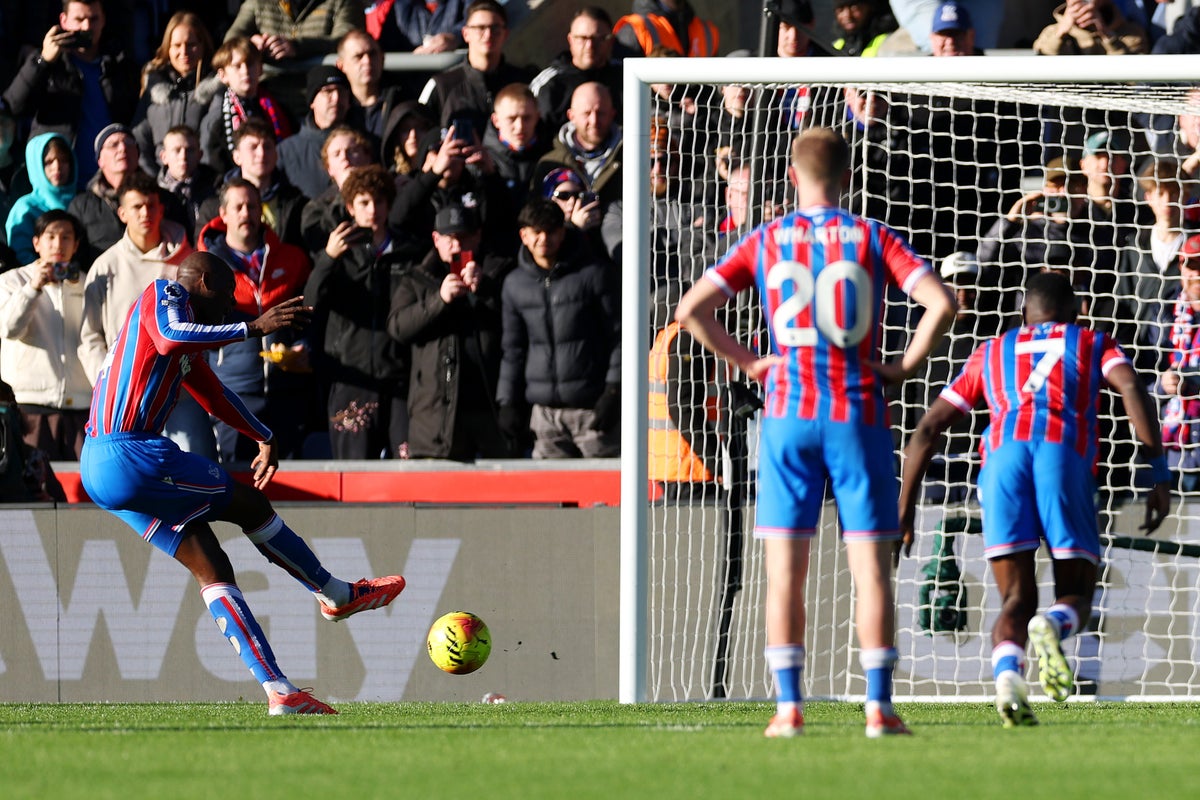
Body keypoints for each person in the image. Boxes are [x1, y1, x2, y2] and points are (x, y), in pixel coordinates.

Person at [673, 127, 958, 738]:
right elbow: (942, 302)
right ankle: (878, 707)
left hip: (788, 415)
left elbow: (690, 310)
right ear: (848, 177)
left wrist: (749, 362)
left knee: (784, 571)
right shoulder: (871, 236)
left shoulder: (768, 238)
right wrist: (904, 367)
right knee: (872, 570)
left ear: (794, 178)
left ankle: (788, 709)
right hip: (857, 413)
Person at [80, 249, 406, 714]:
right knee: (250, 505)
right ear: (205, 283)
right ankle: (335, 594)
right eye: (228, 297)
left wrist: (263, 436)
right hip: (129, 453)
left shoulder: (179, 343)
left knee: (211, 565)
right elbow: (173, 336)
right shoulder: (165, 293)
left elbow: (212, 395)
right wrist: (254, 327)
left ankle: (279, 691)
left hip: (100, 466)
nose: (231, 308)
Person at [898, 271, 1170, 727]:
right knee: (1076, 594)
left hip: (1002, 462)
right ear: (1076, 311)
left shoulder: (989, 351)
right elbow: (1130, 388)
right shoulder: (1092, 341)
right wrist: (1157, 472)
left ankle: (1008, 680)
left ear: (1025, 314)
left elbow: (927, 428)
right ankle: (1056, 625)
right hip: (1061, 456)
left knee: (1015, 601)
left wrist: (903, 511)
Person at [79, 172, 209, 456]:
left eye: (151, 205)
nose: (145, 213)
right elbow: (89, 337)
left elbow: (205, 322)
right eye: (137, 207)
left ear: (161, 208)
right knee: (133, 478)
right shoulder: (104, 267)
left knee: (195, 468)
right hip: (126, 398)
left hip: (182, 392)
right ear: (122, 213)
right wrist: (108, 384)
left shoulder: (189, 264)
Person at [199, 178, 313, 462]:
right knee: (237, 482)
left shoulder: (291, 259)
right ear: (223, 214)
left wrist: (304, 346)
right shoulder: (205, 267)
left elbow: (311, 315)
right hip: (233, 393)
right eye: (237, 206)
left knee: (291, 484)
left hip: (285, 390)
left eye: (252, 206)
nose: (245, 213)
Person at [388, 203, 514, 460]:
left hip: (487, 412)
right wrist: (439, 300)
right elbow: (397, 327)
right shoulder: (416, 279)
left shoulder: (500, 273)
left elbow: (516, 326)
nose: (457, 246)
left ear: (477, 236)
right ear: (436, 239)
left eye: (464, 237)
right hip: (434, 418)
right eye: (449, 238)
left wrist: (487, 289)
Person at [497, 197, 621, 458]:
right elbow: (513, 350)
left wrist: (613, 391)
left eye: (551, 230)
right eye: (536, 232)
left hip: (592, 409)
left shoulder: (594, 274)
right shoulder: (514, 284)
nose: (544, 238)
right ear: (523, 235)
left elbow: (618, 337)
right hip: (544, 415)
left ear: (562, 232)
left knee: (603, 494)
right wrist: (507, 401)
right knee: (549, 495)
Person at [304, 165, 410, 459]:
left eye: (379, 201)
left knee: (409, 474)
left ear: (389, 204)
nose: (372, 209)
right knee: (354, 475)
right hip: (351, 378)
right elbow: (310, 302)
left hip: (400, 379)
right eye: (364, 202)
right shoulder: (338, 251)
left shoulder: (408, 251)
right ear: (350, 207)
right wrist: (328, 259)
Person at [2, 0, 139, 185]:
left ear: (104, 20)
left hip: (110, 183)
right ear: (63, 21)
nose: (87, 26)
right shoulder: (49, 63)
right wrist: (43, 61)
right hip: (59, 182)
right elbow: (14, 106)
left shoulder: (119, 64)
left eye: (94, 19)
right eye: (79, 19)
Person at [0, 210, 91, 460]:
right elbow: (9, 328)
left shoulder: (88, 284)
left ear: (76, 244)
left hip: (83, 407)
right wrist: (32, 289)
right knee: (33, 491)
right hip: (30, 406)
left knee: (82, 494)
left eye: (66, 237)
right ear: (36, 242)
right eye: (50, 237)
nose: (58, 245)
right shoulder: (11, 281)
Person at [417, 0, 535, 131]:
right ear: (465, 34)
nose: (488, 34)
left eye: (495, 28)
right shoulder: (441, 86)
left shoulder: (525, 82)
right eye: (480, 28)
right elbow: (419, 134)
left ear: (505, 34)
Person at [131, 11, 221, 176]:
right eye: (177, 45)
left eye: (191, 44)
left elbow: (213, 142)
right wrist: (156, 182)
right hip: (159, 186)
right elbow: (139, 141)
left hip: (205, 185)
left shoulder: (218, 86)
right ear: (168, 48)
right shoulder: (153, 87)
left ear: (203, 45)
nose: (184, 52)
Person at [201, 118, 306, 246]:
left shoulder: (297, 204)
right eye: (253, 147)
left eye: (267, 147)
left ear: (276, 154)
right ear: (237, 156)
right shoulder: (212, 209)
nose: (261, 154)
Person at [199, 37, 292, 175]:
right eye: (237, 66)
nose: (245, 71)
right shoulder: (216, 117)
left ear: (260, 69)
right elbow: (211, 161)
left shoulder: (278, 109)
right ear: (223, 75)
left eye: (250, 64)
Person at [530, 7, 623, 133]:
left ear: (611, 41)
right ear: (570, 40)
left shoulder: (626, 75)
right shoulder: (548, 86)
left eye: (598, 39)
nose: (590, 46)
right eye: (583, 38)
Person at [533, 82, 623, 213]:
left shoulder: (630, 155)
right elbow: (538, 218)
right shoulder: (550, 163)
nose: (594, 121)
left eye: (601, 113)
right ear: (571, 116)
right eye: (586, 113)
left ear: (612, 114)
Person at [67, 123, 141, 267]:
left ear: (138, 154)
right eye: (113, 145)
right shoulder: (82, 205)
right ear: (99, 160)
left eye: (128, 143)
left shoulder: (160, 198)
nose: (122, 148)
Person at [278, 65, 356, 200]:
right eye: (328, 91)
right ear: (312, 101)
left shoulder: (364, 145)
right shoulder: (286, 152)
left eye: (342, 91)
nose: (336, 98)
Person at [1157, 252, 1200, 492]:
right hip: (1172, 449)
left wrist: (1189, 378)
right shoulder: (1163, 313)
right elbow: (1142, 371)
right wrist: (1164, 384)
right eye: (1191, 266)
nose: (1196, 274)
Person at [300, 125, 374, 255]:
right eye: (336, 154)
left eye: (352, 150)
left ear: (367, 157)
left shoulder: (388, 191)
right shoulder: (316, 207)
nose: (345, 158)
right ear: (329, 168)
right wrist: (347, 191)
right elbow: (317, 239)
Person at [5, 134, 77, 265]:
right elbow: (20, 255)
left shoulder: (84, 203)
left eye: (64, 160)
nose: (57, 167)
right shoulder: (26, 208)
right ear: (36, 166)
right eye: (49, 162)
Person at [223, 0, 363, 62]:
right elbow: (230, 42)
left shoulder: (344, 1)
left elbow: (348, 42)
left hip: (324, 96)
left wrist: (298, 47)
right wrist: (250, 44)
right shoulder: (258, 2)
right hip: (270, 96)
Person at [156, 124, 220, 245]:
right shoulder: (154, 193)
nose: (183, 156)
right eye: (177, 150)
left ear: (200, 155)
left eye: (190, 150)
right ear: (164, 157)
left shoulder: (217, 187)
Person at [335, 29, 402, 142]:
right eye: (358, 56)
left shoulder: (402, 100)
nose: (367, 61)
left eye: (372, 54)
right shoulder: (334, 108)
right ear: (341, 66)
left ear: (382, 58)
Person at [1034, 0, 1149, 55]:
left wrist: (1107, 36)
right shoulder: (1051, 32)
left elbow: (1134, 80)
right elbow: (1038, 70)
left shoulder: (1131, 32)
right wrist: (1060, 34)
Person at [613, 0, 719, 58]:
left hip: (699, 98)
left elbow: (712, 90)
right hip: (650, 98)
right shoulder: (635, 29)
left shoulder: (707, 31)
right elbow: (625, 89)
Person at [377, 0, 469, 53]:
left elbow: (477, 22)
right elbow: (386, 48)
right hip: (411, 82)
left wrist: (456, 38)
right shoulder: (399, 7)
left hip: (453, 79)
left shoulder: (465, 3)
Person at [832, 1, 898, 57]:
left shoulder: (891, 41)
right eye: (841, 10)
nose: (847, 15)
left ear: (870, 8)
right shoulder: (836, 46)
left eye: (854, 8)